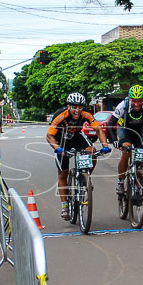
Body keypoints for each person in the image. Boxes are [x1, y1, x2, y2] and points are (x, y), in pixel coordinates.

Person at [46, 92, 111, 220]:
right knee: (62, 173)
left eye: (80, 107)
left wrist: (105, 144)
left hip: (76, 137)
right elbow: (49, 136)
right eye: (74, 107)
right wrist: (57, 148)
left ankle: (85, 177)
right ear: (68, 106)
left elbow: (98, 129)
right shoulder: (60, 115)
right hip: (61, 140)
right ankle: (65, 206)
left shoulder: (86, 114)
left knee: (92, 151)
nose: (77, 110)